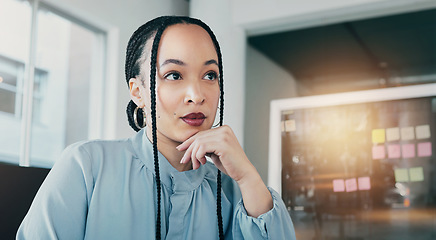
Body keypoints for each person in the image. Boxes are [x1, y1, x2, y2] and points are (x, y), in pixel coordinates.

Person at [17, 16, 296, 240]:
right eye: (174, 75)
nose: (197, 95)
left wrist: (248, 177)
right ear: (137, 92)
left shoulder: (235, 193)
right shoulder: (86, 166)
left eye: (209, 75)